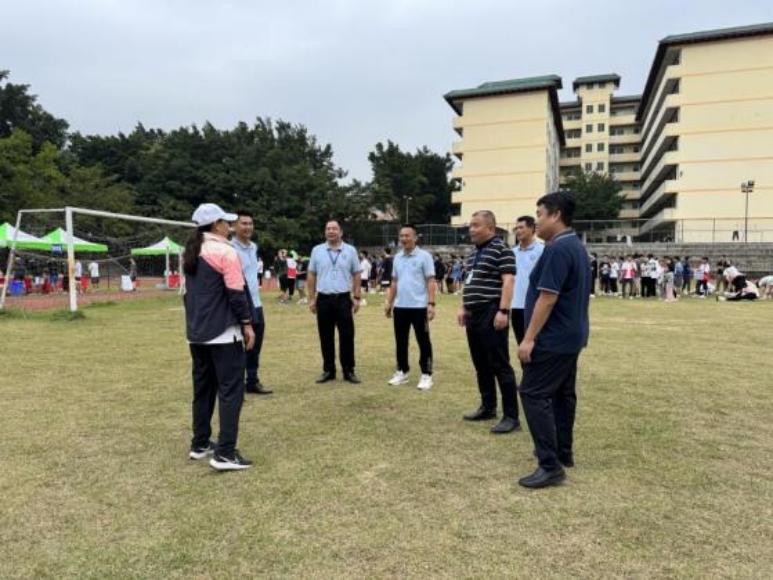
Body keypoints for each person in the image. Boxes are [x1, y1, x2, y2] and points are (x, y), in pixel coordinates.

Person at [517, 191, 591, 489]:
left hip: (554, 337)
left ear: (556, 215)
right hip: (571, 335)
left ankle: (550, 465)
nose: (537, 221)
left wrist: (528, 339)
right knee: (562, 394)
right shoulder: (575, 245)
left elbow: (547, 297)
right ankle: (562, 452)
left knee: (533, 393)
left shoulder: (558, 249)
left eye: (540, 214)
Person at [183, 203, 256, 471]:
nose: (230, 226)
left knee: (203, 390)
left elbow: (186, 295)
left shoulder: (191, 251)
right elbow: (236, 293)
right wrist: (247, 323)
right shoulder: (225, 251)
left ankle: (200, 443)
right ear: (216, 225)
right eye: (226, 222)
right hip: (224, 334)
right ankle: (225, 452)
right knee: (230, 391)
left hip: (197, 334)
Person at [457, 210, 519, 434]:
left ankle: (511, 416)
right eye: (470, 225)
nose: (471, 229)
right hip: (473, 314)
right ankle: (488, 406)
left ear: (491, 228)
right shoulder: (474, 253)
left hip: (491, 311)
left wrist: (503, 310)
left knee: (499, 364)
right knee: (480, 363)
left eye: (476, 225)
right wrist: (464, 307)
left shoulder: (502, 249)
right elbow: (469, 283)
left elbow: (508, 281)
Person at [307, 220, 363, 384]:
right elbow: (311, 274)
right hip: (323, 299)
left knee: (347, 335)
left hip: (343, 299)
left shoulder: (350, 250)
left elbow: (357, 274)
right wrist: (311, 298)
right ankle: (328, 370)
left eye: (334, 229)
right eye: (328, 228)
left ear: (341, 232)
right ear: (325, 232)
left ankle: (349, 370)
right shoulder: (317, 250)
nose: (331, 231)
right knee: (325, 336)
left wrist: (357, 297)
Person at [384, 225, 436, 391]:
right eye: (401, 236)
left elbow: (430, 281)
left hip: (419, 306)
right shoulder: (397, 258)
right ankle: (402, 371)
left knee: (423, 341)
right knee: (400, 341)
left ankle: (426, 374)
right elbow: (394, 282)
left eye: (407, 235)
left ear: (415, 238)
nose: (404, 239)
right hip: (400, 306)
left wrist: (431, 304)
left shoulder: (424, 257)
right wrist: (389, 302)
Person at [231, 210, 272, 395]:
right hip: (240, 303)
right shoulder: (230, 248)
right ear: (234, 226)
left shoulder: (254, 247)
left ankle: (252, 381)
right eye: (243, 223)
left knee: (255, 345)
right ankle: (235, 385)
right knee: (237, 346)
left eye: (250, 223)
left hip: (256, 303)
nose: (248, 227)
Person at [511, 216, 544, 346]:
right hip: (516, 306)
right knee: (521, 345)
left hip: (535, 306)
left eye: (521, 227)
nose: (518, 231)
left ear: (532, 229)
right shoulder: (512, 253)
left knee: (536, 346)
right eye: (516, 228)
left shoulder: (542, 250)